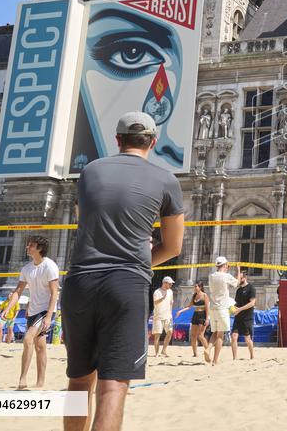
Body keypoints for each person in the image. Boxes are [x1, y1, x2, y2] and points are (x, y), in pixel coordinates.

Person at [61, 112, 185, 431]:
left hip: (80, 281)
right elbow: (173, 247)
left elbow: (85, 219)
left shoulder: (89, 172)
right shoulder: (166, 180)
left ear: (117, 140)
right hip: (126, 284)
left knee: (78, 383)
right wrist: (139, 259)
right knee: (113, 386)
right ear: (153, 142)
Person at [3, 235, 59, 390]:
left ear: (39, 248)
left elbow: (55, 293)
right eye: (28, 245)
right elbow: (18, 292)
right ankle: (40, 383)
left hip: (45, 310)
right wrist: (7, 308)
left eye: (31, 245)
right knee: (40, 347)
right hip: (33, 310)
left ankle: (22, 379)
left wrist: (48, 316)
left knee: (27, 339)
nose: (27, 247)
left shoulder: (50, 266)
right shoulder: (26, 269)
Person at [207, 257, 240, 366]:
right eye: (227, 266)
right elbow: (237, 283)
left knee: (215, 332)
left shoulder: (211, 276)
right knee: (220, 335)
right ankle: (215, 361)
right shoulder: (226, 276)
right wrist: (238, 270)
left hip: (212, 308)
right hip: (222, 308)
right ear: (225, 265)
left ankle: (208, 348)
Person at [177, 281, 210, 362]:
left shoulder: (204, 295)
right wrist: (180, 311)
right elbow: (189, 307)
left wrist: (207, 318)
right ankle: (195, 353)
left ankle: (208, 351)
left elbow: (207, 308)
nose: (194, 288)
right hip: (195, 314)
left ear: (200, 287)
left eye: (196, 286)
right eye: (194, 286)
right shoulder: (194, 295)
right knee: (193, 335)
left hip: (202, 315)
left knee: (200, 336)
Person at [231, 269, 257, 360]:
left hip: (247, 317)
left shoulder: (251, 288)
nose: (238, 280)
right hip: (238, 317)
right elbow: (236, 303)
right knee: (234, 337)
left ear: (245, 278)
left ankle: (252, 356)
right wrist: (232, 309)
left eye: (240, 278)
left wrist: (240, 309)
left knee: (247, 338)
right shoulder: (238, 290)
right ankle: (234, 358)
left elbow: (252, 303)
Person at [151, 276, 175, 357]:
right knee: (157, 335)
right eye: (170, 284)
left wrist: (171, 313)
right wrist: (162, 298)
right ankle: (157, 353)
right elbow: (155, 302)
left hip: (168, 315)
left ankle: (164, 350)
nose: (171, 285)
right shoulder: (157, 292)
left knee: (170, 332)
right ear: (164, 283)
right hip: (158, 315)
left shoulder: (170, 291)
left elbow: (171, 302)